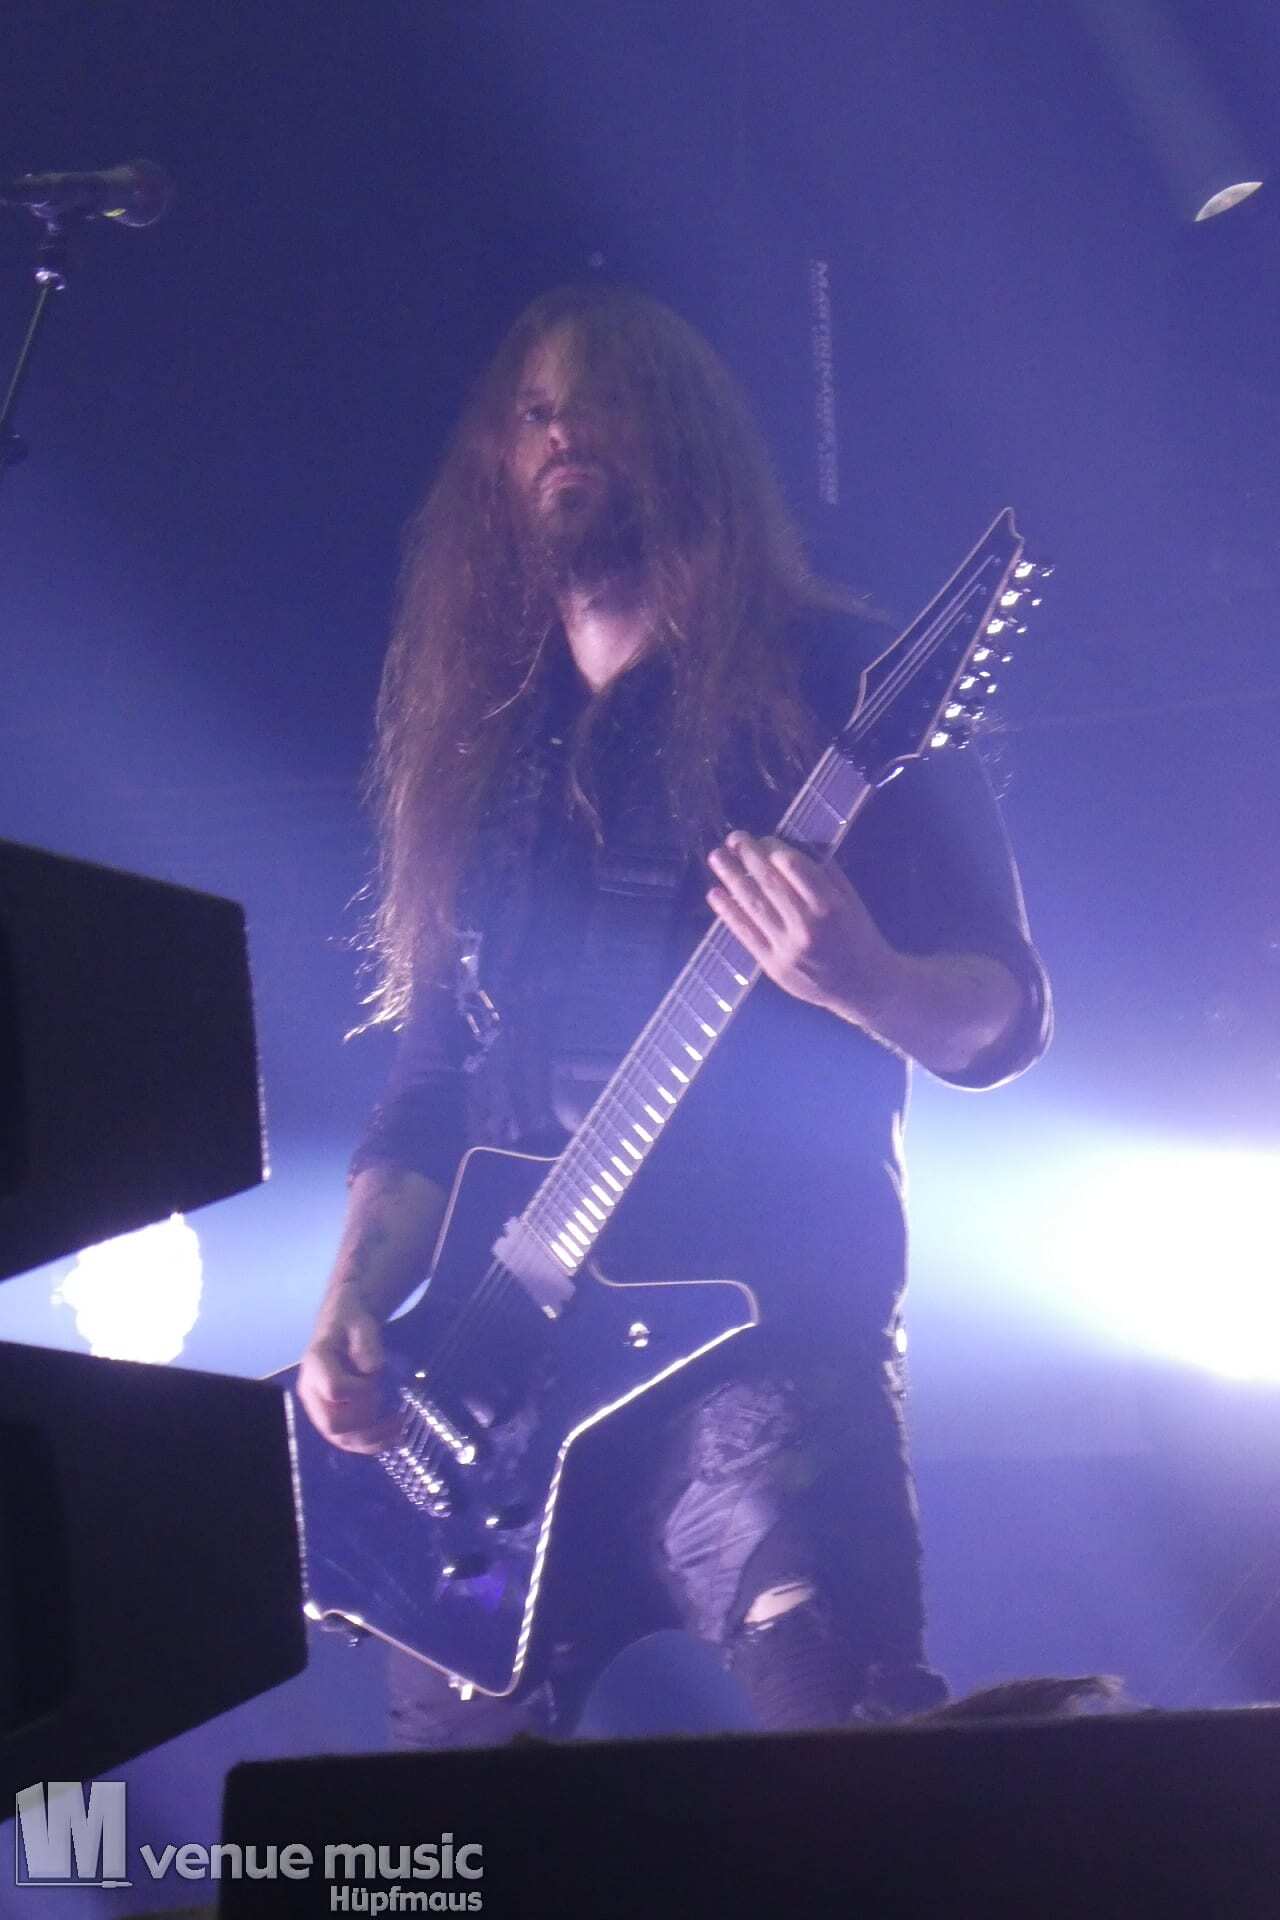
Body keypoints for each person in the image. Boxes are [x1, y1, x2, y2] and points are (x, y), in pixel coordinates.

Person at [296, 283, 1051, 1745]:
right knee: (444, 1847)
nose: (561, 435)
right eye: (533, 414)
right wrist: (349, 1307)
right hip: (496, 1403)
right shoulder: (486, 745)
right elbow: (431, 1087)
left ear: (688, 434)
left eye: (599, 403)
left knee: (852, 1794)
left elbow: (1006, 1019)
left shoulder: (842, 691)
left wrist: (870, 981)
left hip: (766, 1363)